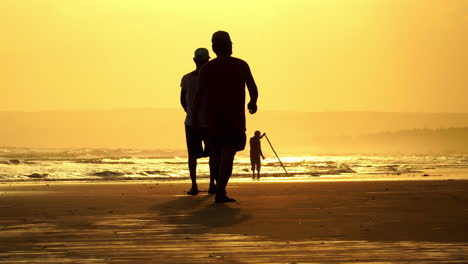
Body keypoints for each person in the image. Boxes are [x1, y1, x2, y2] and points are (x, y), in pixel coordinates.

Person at [194, 31, 259, 203]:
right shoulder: (240, 65)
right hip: (233, 120)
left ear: (214, 48)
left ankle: (218, 188)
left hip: (213, 121)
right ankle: (220, 191)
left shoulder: (207, 68)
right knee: (227, 155)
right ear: (230, 46)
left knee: (216, 153)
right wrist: (253, 102)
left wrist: (194, 118)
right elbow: (253, 87)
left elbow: (199, 96)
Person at [180, 48, 216, 195]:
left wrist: (190, 113)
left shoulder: (187, 78)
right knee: (213, 154)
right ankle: (212, 184)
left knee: (192, 155)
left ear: (194, 60)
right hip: (208, 122)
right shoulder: (212, 79)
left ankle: (194, 185)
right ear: (208, 61)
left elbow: (182, 100)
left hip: (191, 123)